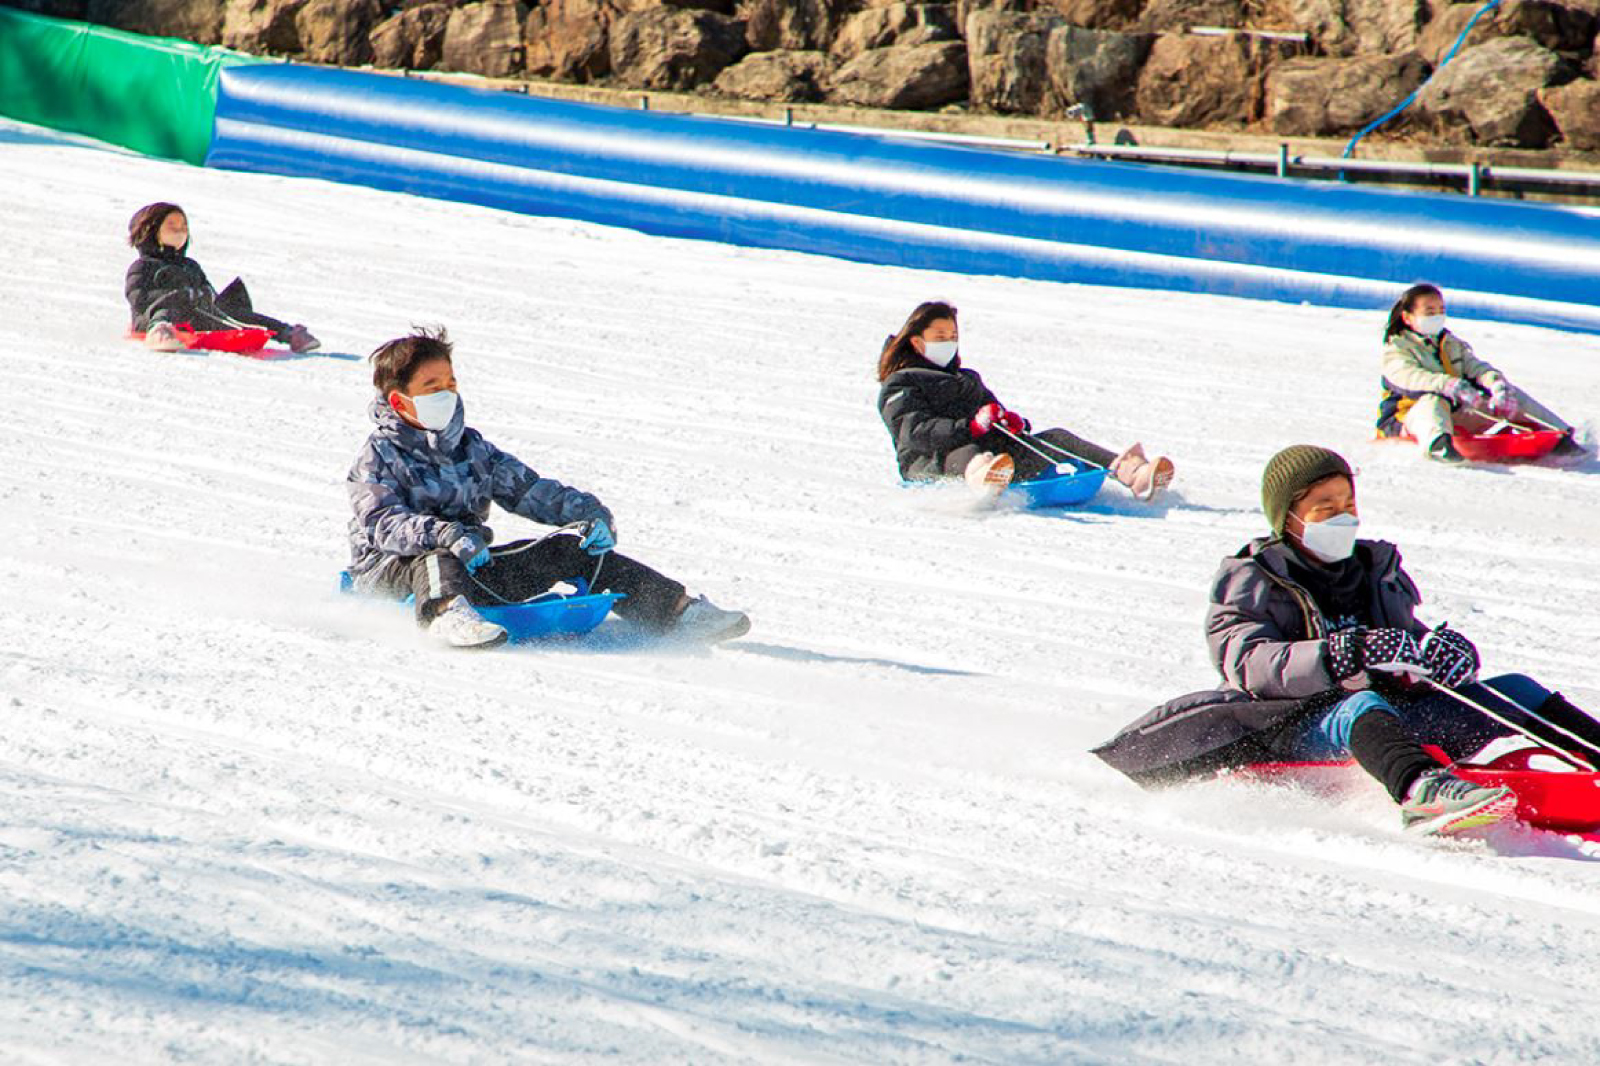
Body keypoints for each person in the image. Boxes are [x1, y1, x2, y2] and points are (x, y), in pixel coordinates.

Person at [1092, 444, 1600, 836]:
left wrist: (1442, 657)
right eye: (1324, 506)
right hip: (1303, 725)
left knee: (1516, 689)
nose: (1343, 515)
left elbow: (1403, 643)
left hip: (1396, 715)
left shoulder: (1371, 568)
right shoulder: (1251, 578)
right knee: (1360, 704)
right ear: (1287, 516)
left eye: (1348, 502)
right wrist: (1338, 655)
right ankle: (1422, 793)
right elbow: (1247, 662)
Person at [346, 327, 751, 649]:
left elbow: (531, 490)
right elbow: (382, 523)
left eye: (451, 383)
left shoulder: (472, 449)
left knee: (573, 549)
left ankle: (678, 612)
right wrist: (448, 535)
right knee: (435, 556)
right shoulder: (379, 455)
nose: (448, 393)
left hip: (473, 567)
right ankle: (447, 615)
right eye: (433, 388)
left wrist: (588, 514)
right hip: (393, 572)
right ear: (401, 403)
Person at [875, 301, 1175, 499]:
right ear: (916, 342)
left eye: (952, 335)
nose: (949, 342)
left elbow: (992, 414)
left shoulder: (966, 378)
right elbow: (912, 433)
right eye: (940, 336)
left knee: (1057, 437)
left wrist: (1011, 422)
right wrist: (972, 428)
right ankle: (983, 481)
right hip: (932, 464)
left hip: (994, 459)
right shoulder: (900, 383)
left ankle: (1133, 474)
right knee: (966, 448)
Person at [1376, 282, 1587, 463]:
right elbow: (1407, 376)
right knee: (1433, 400)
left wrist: (1497, 387)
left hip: (1456, 414)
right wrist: (1450, 385)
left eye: (1441, 311)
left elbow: (1477, 368)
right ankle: (1437, 445)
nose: (1438, 316)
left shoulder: (1450, 344)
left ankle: (1560, 436)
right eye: (1430, 312)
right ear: (1407, 317)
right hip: (1409, 419)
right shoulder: (1396, 348)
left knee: (1511, 394)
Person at [125, 201, 320, 353]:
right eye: (172, 226)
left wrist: (206, 297)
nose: (180, 230)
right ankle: (160, 333)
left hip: (193, 318)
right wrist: (180, 295)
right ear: (150, 231)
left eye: (184, 226)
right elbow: (138, 298)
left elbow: (207, 289)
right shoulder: (144, 266)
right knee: (169, 305)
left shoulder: (190, 265)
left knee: (229, 309)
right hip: (152, 318)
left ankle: (288, 334)